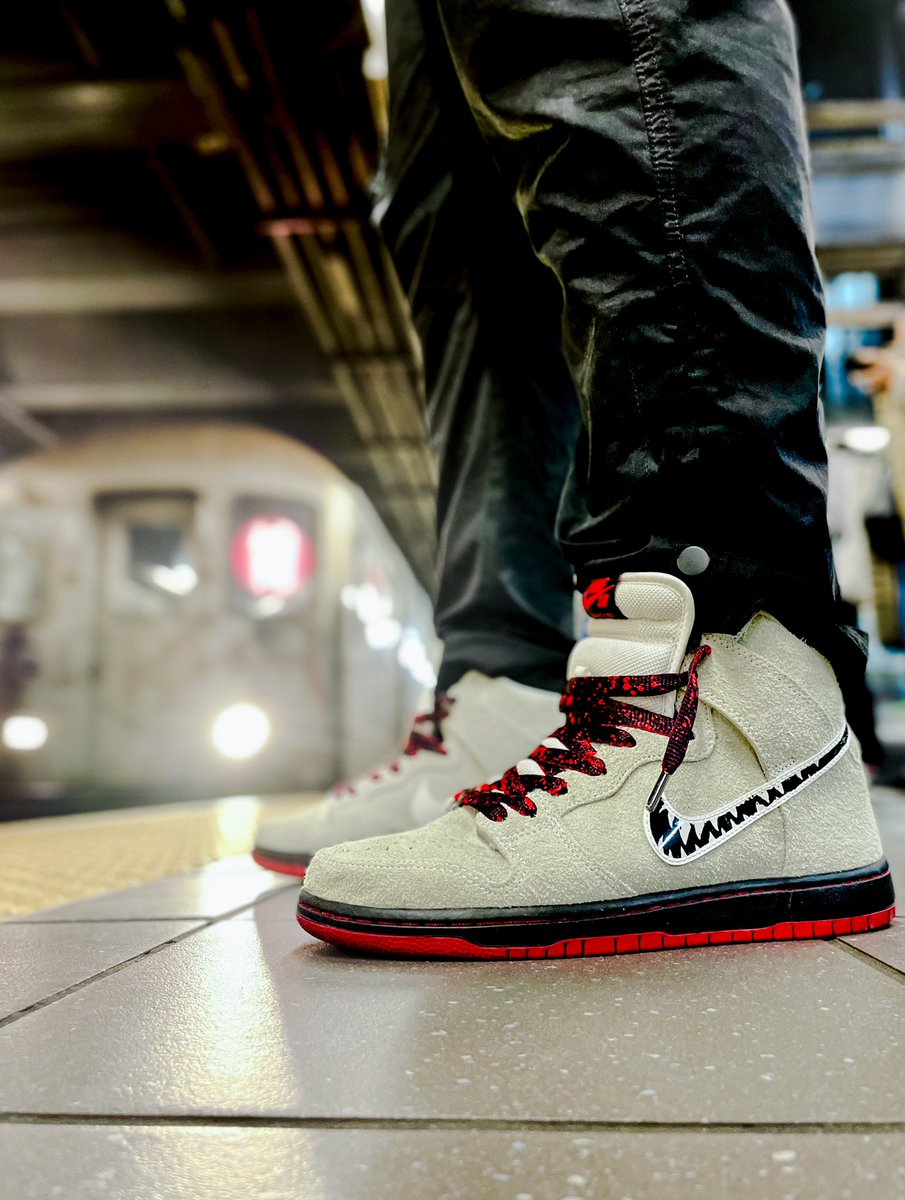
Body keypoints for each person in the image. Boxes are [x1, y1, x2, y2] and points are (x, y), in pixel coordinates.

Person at [269, 0, 895, 958]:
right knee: (462, 203)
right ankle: (501, 675)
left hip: (730, 650)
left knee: (608, 37)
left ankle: (729, 686)